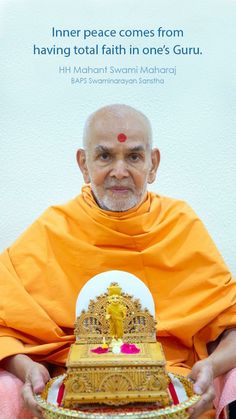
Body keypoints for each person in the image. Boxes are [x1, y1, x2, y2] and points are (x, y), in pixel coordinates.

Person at [0, 104, 236, 419]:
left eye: (134, 157)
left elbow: (230, 325)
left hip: (174, 380)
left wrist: (211, 366)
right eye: (105, 156)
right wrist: (27, 367)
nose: (120, 172)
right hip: (70, 386)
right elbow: (6, 327)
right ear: (84, 164)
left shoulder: (181, 224)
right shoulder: (53, 228)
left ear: (153, 164)